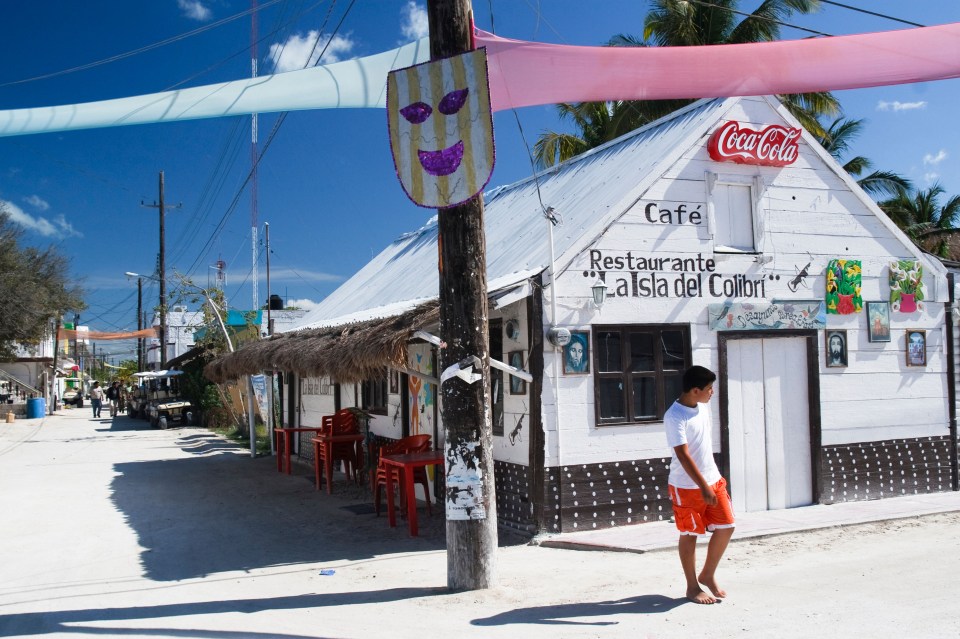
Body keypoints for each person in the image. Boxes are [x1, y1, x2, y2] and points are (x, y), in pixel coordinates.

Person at [665, 365, 735, 605]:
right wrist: (703, 486)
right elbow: (683, 455)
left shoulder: (702, 408)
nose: (711, 392)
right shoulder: (674, 416)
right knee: (690, 534)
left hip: (713, 479)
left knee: (727, 526)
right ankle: (692, 586)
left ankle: (708, 574)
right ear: (695, 390)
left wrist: (709, 482)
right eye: (708, 389)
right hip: (686, 486)